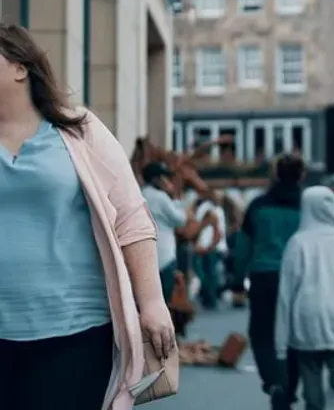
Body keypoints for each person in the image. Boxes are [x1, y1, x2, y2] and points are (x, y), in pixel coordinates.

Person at [0, 23, 174, 409]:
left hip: (74, 333)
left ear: (20, 67)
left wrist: (152, 302)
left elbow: (131, 216)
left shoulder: (79, 129)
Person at [273, 186, 334, 410]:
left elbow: (286, 294)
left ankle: (315, 405)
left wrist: (280, 343)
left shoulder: (297, 243)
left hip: (307, 320)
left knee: (311, 373)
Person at [234, 154, 306, 402]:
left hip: (263, 276)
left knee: (262, 333)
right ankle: (290, 386)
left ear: (275, 174)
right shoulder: (307, 206)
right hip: (298, 280)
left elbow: (243, 245)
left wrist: (237, 277)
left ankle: (274, 381)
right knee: (294, 334)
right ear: (302, 175)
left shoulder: (258, 206)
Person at [141, 161, 205, 304]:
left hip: (147, 254)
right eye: (164, 178)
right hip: (165, 256)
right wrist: (175, 197)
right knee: (167, 299)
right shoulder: (161, 197)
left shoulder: (140, 194)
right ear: (156, 179)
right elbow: (180, 219)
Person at [194, 190, 228, 310]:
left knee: (211, 274)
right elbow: (203, 227)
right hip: (208, 246)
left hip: (214, 247)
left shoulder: (218, 209)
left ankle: (210, 298)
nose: (219, 199)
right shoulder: (207, 208)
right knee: (209, 274)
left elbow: (219, 229)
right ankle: (209, 298)